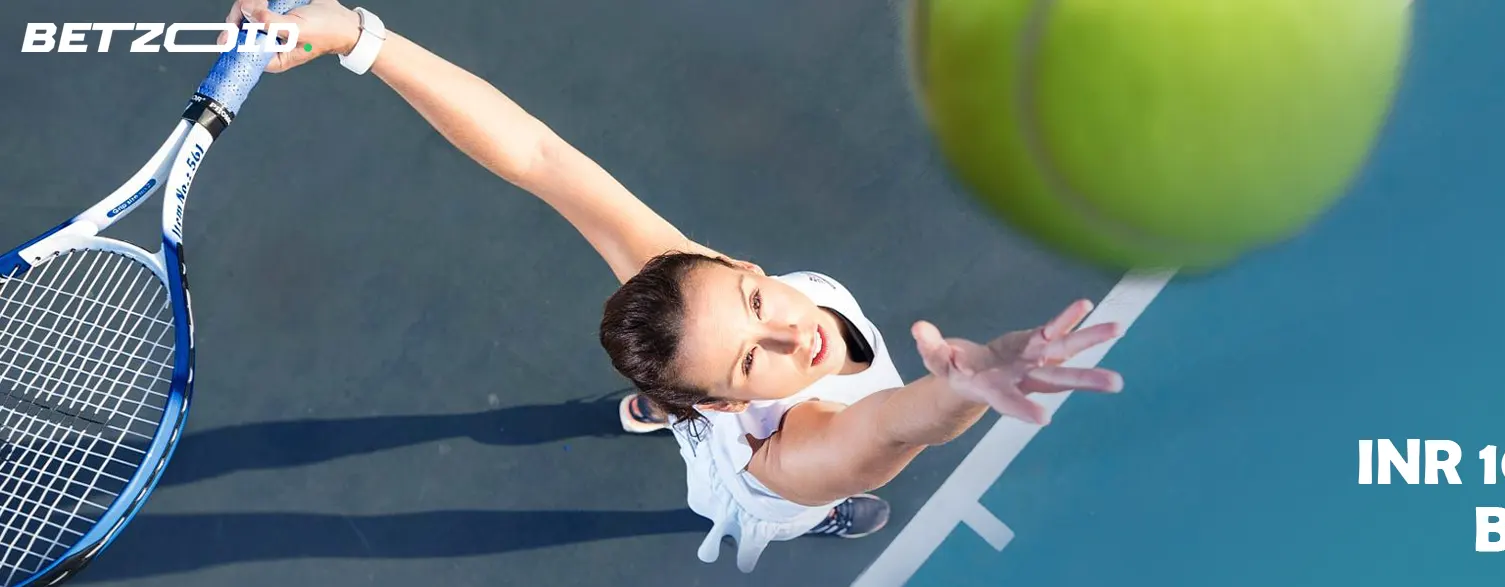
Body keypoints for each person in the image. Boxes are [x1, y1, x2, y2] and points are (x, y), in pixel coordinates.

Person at [222, 0, 1129, 573]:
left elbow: (537, 155)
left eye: (754, 305)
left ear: (739, 268)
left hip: (687, 381)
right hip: (761, 471)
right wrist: (959, 392)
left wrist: (358, 34)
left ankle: (658, 404)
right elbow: (885, 428)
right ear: (732, 404)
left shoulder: (689, 280)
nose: (788, 339)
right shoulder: (796, 453)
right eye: (749, 364)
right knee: (806, 499)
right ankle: (688, 429)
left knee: (680, 334)